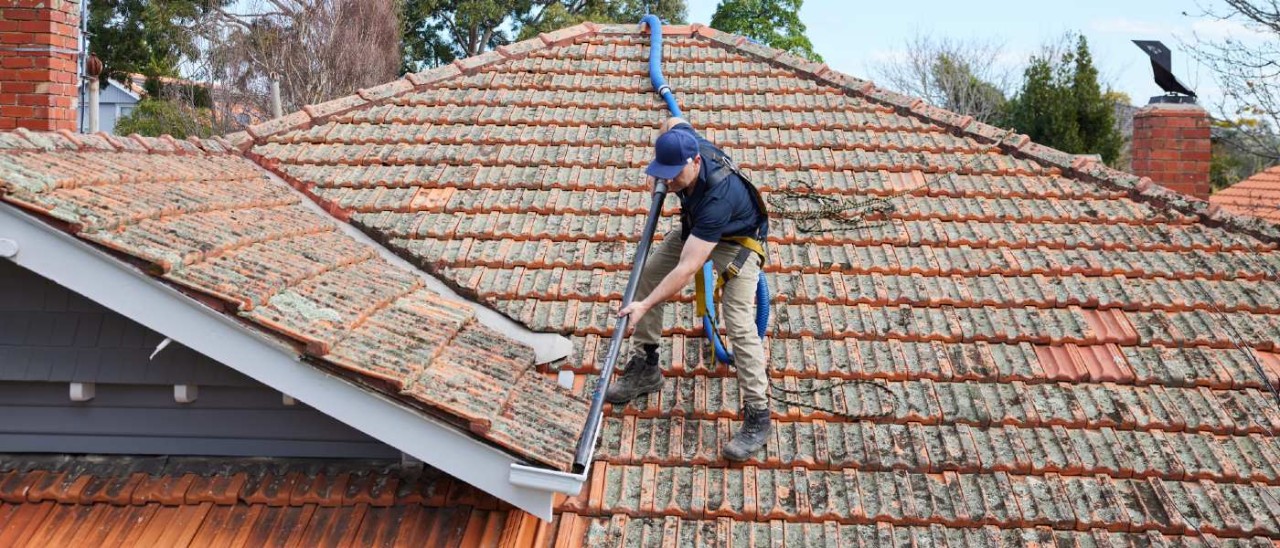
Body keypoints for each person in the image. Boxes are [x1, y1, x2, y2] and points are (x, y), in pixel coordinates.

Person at [607, 116, 772, 461]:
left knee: (738, 322)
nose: (667, 180)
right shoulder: (682, 142)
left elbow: (687, 269)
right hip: (695, 228)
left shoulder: (718, 197)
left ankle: (758, 415)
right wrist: (661, 168)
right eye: (662, 171)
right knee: (649, 273)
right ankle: (647, 366)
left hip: (736, 242)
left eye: (673, 174)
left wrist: (642, 306)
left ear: (696, 162)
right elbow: (672, 121)